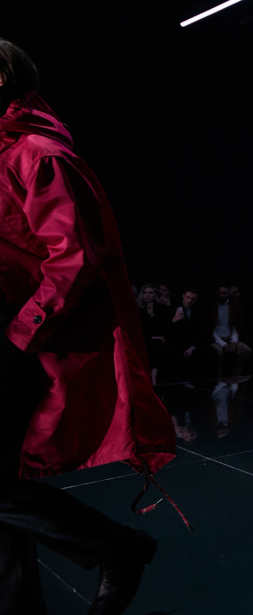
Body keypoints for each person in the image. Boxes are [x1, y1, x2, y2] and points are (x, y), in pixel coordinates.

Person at [0, 39, 175, 615]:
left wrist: (18, 336)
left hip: (21, 342)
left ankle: (117, 547)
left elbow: (74, 259)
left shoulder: (38, 155)